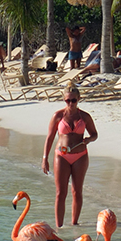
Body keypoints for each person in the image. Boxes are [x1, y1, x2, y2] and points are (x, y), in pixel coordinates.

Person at [42, 87, 98, 228]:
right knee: (61, 193)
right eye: (68, 100)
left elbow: (94, 134)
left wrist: (88, 139)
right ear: (64, 100)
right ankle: (59, 228)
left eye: (73, 100)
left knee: (77, 191)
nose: (70, 103)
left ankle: (74, 224)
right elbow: (49, 138)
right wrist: (44, 158)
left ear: (78, 99)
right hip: (61, 156)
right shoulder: (58, 116)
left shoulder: (84, 117)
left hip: (80, 156)